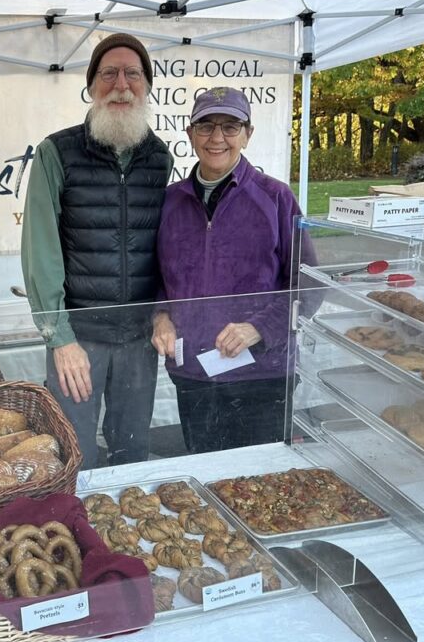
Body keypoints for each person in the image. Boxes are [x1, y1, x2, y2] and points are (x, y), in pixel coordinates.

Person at [21, 33, 173, 468]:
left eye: (133, 74)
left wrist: (163, 313)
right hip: (78, 339)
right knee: (74, 455)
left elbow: (167, 248)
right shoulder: (57, 152)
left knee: (132, 453)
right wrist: (59, 338)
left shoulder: (159, 159)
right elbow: (40, 249)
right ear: (91, 86)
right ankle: (76, 534)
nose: (121, 84)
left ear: (146, 86)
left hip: (138, 340)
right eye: (108, 73)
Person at [151, 86, 309, 454]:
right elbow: (158, 276)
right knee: (203, 483)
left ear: (248, 134)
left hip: (264, 375)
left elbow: (307, 284)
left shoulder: (275, 198)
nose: (217, 138)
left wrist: (259, 327)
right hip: (193, 373)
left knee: (262, 489)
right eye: (206, 126)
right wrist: (160, 316)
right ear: (190, 133)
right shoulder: (170, 202)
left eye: (230, 126)